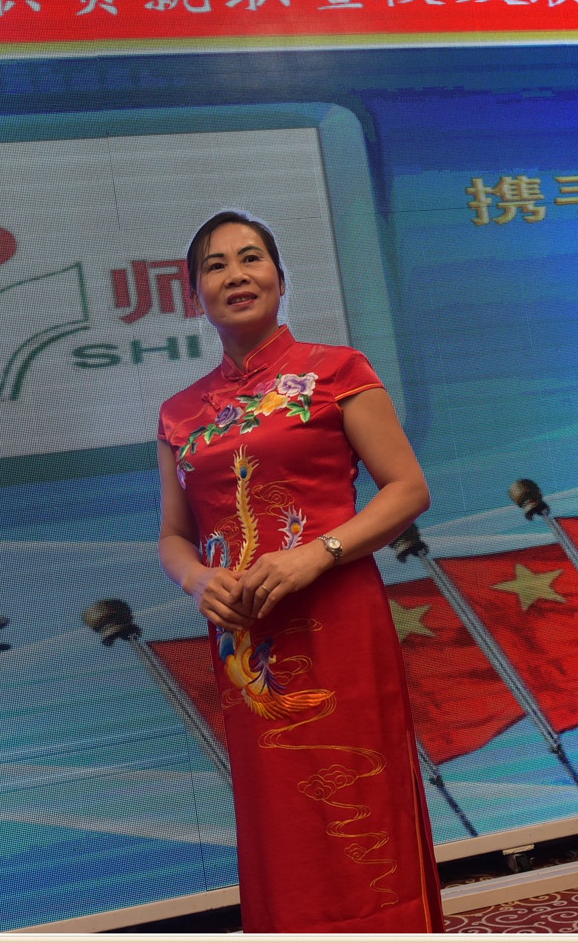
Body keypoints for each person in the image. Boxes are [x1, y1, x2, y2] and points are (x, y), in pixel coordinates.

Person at [156, 211, 445, 933]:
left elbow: (408, 489)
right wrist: (199, 582)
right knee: (282, 815)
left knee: (361, 797)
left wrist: (317, 553)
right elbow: (174, 537)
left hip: (338, 621)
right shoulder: (179, 415)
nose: (235, 275)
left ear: (280, 279)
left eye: (251, 258)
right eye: (216, 266)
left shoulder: (338, 372)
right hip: (246, 640)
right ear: (195, 295)